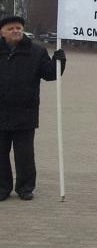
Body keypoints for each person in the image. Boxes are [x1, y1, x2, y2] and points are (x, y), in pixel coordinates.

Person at [0, 15, 65, 201]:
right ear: (2, 32)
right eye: (11, 28)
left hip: (25, 113)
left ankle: (25, 187)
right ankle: (2, 188)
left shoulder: (36, 52)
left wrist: (59, 61)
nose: (16, 30)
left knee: (25, 155)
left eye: (18, 27)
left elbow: (51, 74)